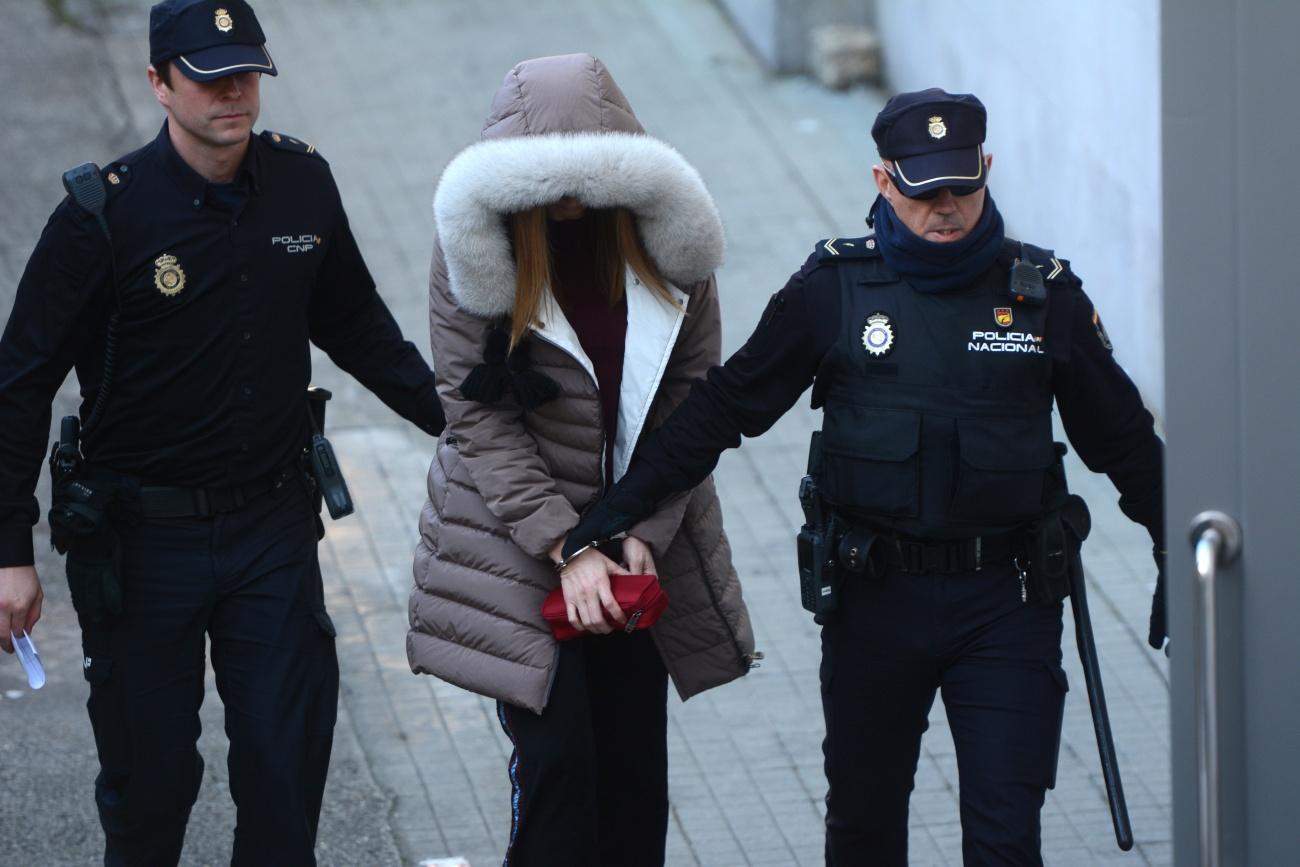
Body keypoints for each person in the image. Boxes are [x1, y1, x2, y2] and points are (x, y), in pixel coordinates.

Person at [562, 88, 1166, 866]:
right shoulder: (834, 289)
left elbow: (1122, 440)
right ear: (884, 181)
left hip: (1006, 604)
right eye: (925, 192)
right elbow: (725, 409)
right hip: (876, 603)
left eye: (962, 186)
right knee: (864, 827)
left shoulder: (1042, 296)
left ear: (987, 168)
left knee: (1006, 836)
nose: (946, 208)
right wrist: (616, 511)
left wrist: (1169, 546)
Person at [0, 0, 444, 862]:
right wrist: (10, 550)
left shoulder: (303, 184)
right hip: (139, 542)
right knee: (151, 787)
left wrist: (465, 424)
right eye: (209, 76)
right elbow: (18, 385)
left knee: (286, 776)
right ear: (160, 85)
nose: (234, 91)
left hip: (270, 525)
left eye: (246, 71)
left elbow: (358, 329)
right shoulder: (100, 217)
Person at [407, 53, 757, 867]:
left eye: (586, 174)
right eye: (543, 178)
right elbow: (476, 415)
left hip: (635, 533)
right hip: (515, 533)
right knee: (560, 773)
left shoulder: (666, 245)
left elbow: (691, 402)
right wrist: (567, 547)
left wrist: (644, 526)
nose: (566, 197)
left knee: (635, 778)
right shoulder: (476, 248)